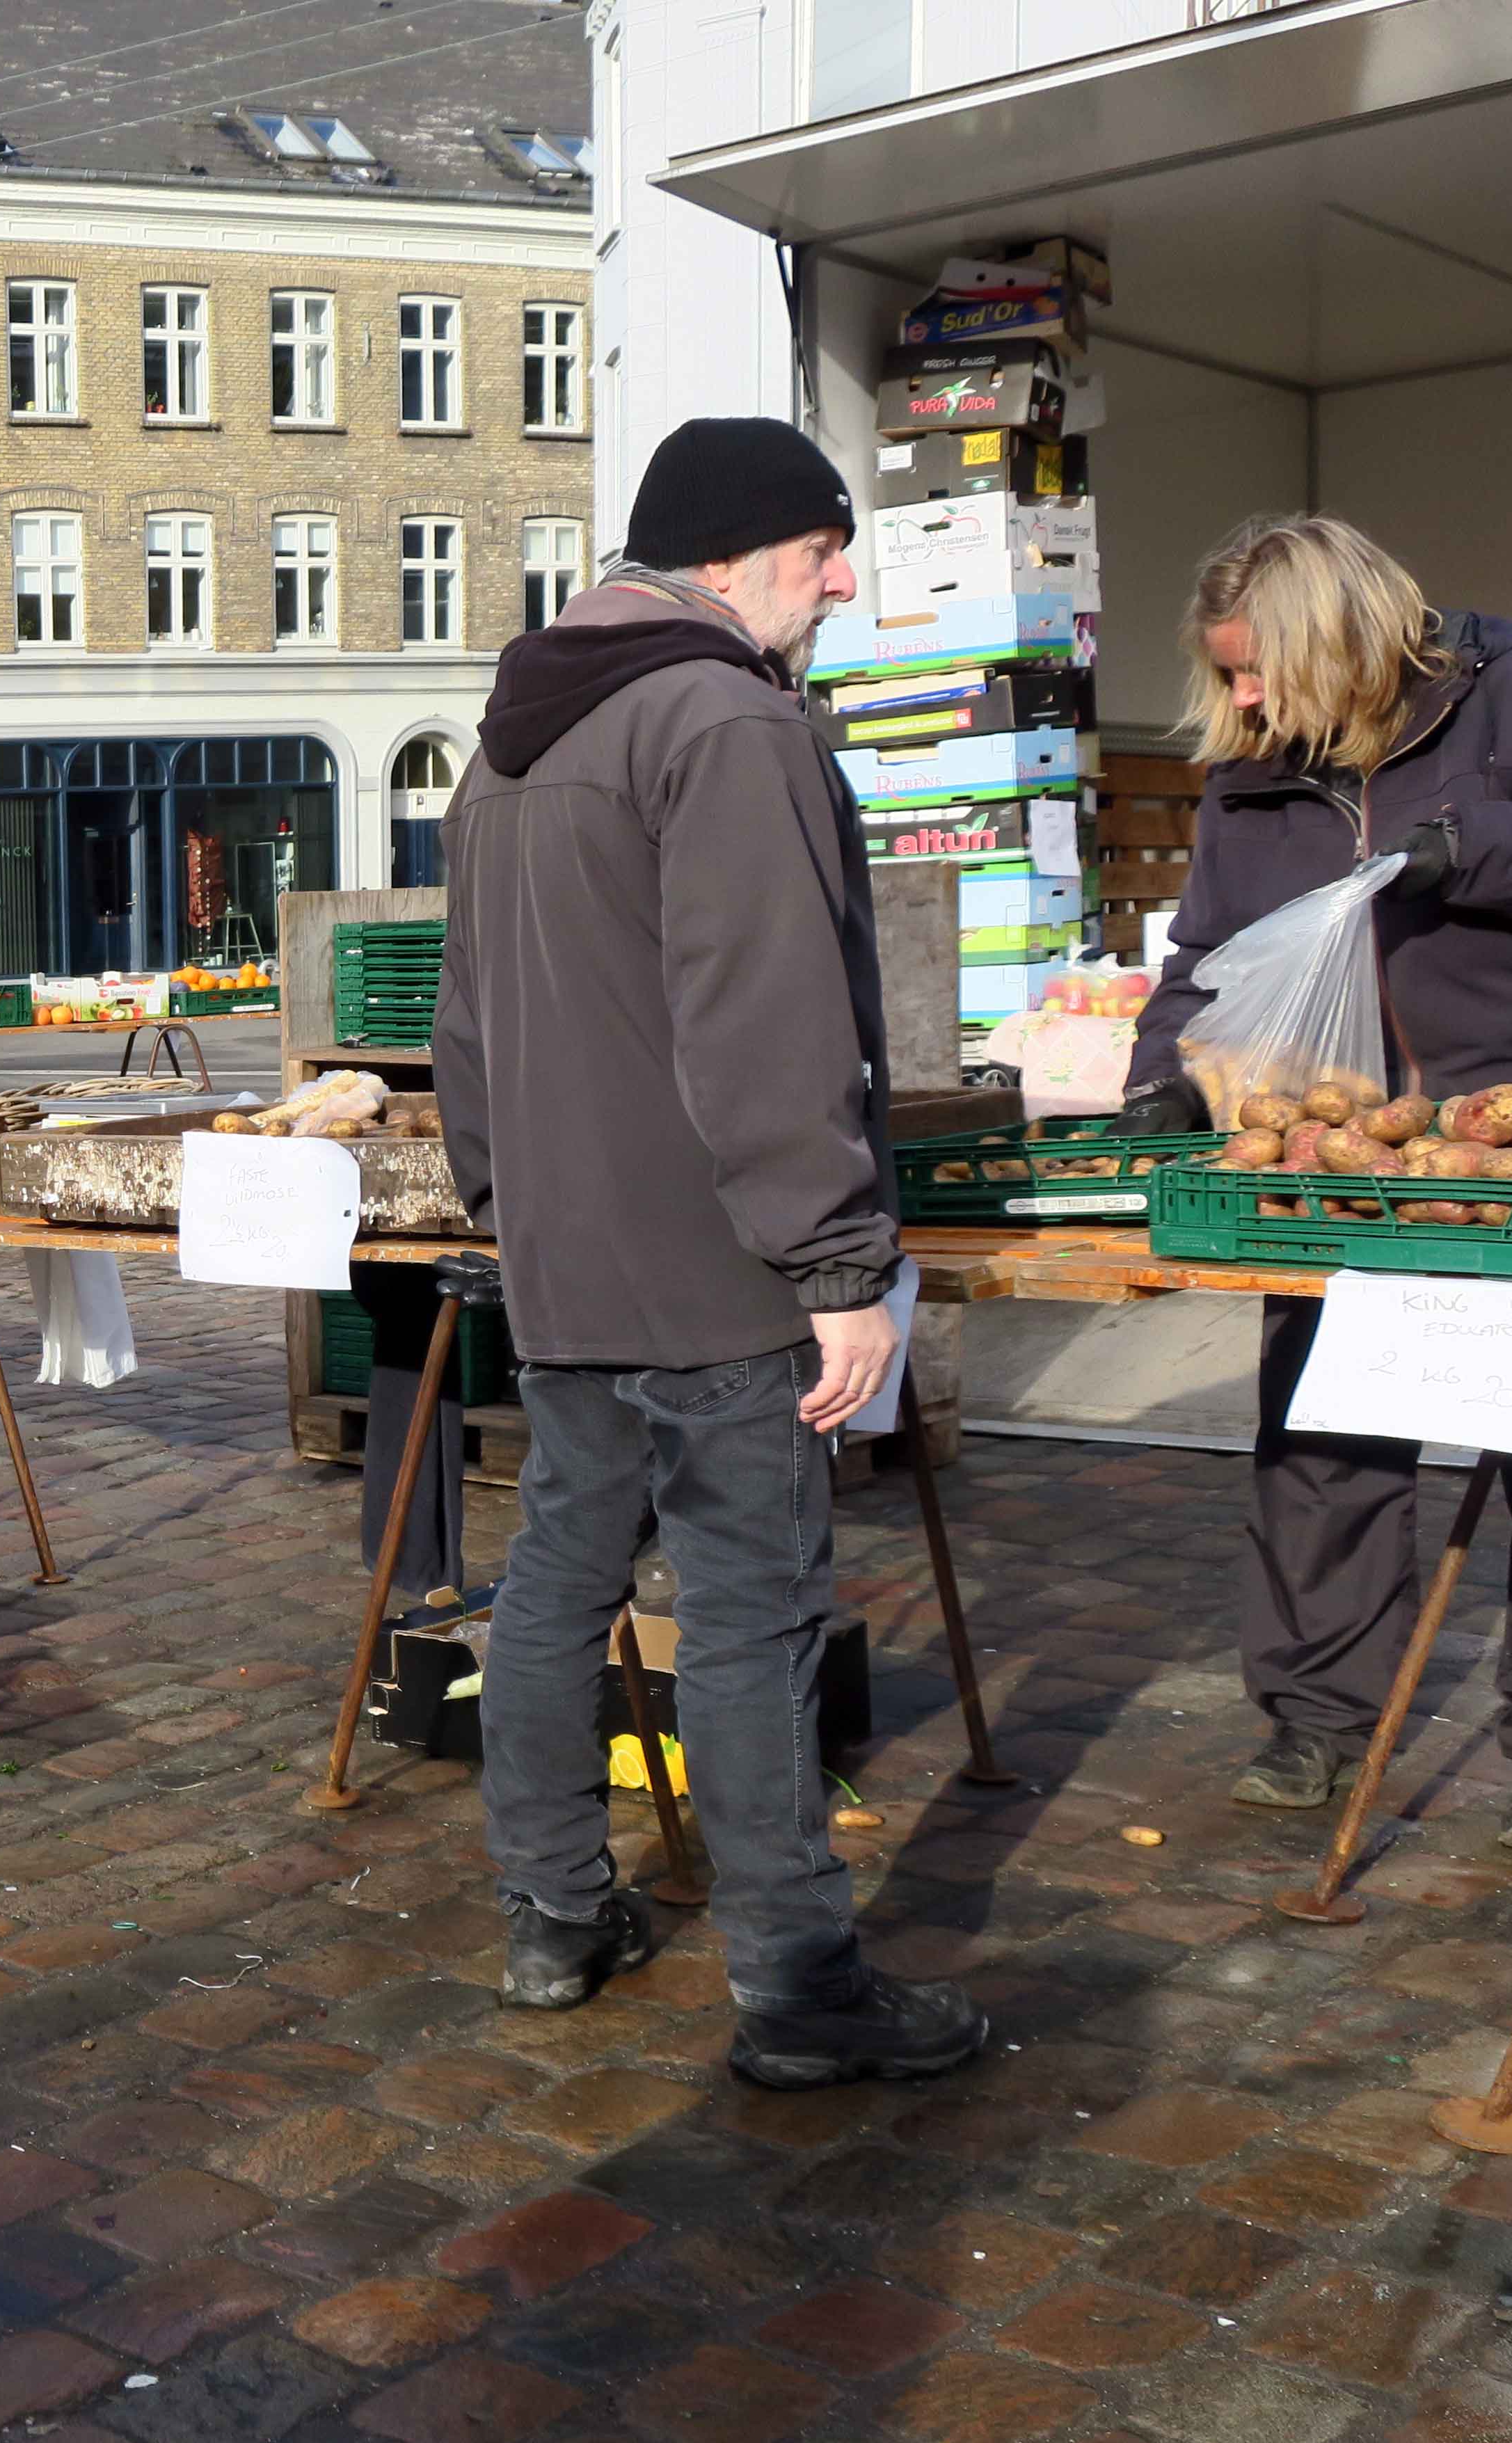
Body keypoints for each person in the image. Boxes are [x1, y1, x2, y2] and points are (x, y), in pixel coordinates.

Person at [435, 415, 983, 2091]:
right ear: (737, 551)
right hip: (720, 1274)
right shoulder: (723, 723)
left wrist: (497, 1203)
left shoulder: (504, 746)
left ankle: (550, 1917)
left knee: (551, 1593)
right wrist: (832, 1268)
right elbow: (764, 1021)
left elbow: (464, 1030)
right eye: (823, 550)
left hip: (564, 1263)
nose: (838, 583)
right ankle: (800, 1991)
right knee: (747, 1623)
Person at [1110, 518, 1512, 1842]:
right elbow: (1204, 957)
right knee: (1320, 1440)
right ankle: (1315, 1719)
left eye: (1254, 670)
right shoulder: (1251, 775)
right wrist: (1160, 1075)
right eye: (1225, 675)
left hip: (1502, 1143)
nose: (1239, 701)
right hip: (1331, 1161)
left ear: (1335, 641)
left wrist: (1476, 850)